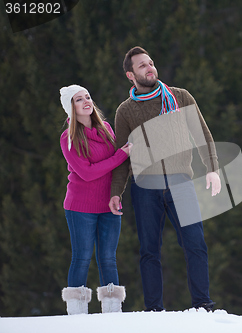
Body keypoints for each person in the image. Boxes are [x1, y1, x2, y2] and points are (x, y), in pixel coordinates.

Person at [109, 46, 221, 312]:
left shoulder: (180, 97)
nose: (149, 68)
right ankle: (153, 310)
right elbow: (121, 157)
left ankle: (202, 304)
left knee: (195, 243)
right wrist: (116, 192)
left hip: (181, 182)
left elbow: (202, 134)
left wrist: (213, 168)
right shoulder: (125, 112)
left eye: (150, 63)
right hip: (145, 187)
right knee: (149, 250)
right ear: (130, 75)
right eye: (142, 66)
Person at [59, 85, 132, 315]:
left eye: (87, 97)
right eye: (79, 99)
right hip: (81, 207)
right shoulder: (68, 138)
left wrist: (116, 193)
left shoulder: (107, 129)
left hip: (109, 204)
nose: (86, 101)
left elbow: (116, 168)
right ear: (71, 108)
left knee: (108, 258)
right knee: (81, 257)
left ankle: (112, 311)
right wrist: (121, 154)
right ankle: (77, 313)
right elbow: (87, 172)